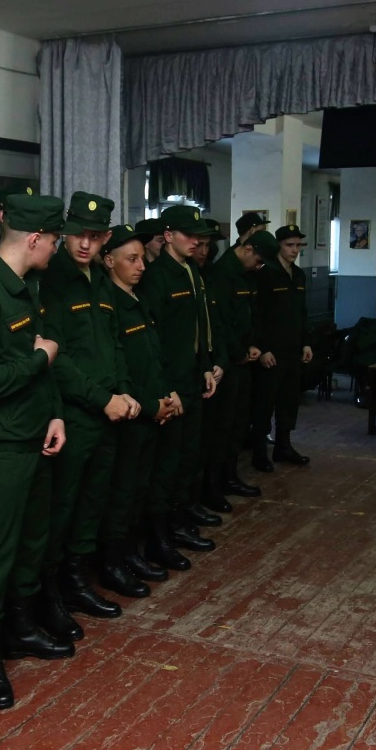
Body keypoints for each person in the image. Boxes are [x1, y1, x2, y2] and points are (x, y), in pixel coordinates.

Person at [0, 192, 77, 696]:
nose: (57, 249)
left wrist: (54, 412)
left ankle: (21, 628)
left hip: (33, 433)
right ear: (34, 239)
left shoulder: (26, 283)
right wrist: (39, 359)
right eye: (54, 241)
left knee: (32, 541)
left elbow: (38, 357)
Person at [40, 192, 139, 615]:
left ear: (106, 238)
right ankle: (51, 593)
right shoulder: (51, 276)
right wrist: (103, 399)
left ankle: (78, 582)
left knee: (92, 502)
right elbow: (55, 357)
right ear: (64, 232)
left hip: (108, 411)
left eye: (95, 237)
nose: (85, 244)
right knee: (62, 507)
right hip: (74, 415)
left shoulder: (99, 278)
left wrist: (123, 390)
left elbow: (114, 343)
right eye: (78, 234)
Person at [96, 224, 181, 587]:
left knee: (141, 487)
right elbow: (120, 371)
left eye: (142, 258)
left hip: (152, 411)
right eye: (131, 259)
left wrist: (168, 394)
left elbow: (153, 357)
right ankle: (113, 562)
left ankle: (132, 552)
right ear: (108, 261)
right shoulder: (109, 304)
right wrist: (149, 405)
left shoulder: (137, 299)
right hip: (131, 414)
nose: (141, 266)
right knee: (122, 491)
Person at [145, 202, 222, 555]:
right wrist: (165, 387)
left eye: (198, 236)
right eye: (188, 235)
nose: (195, 242)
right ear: (168, 236)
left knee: (190, 455)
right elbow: (154, 339)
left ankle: (182, 515)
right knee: (169, 462)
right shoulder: (157, 276)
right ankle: (163, 532)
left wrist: (205, 365)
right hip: (171, 384)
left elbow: (199, 326)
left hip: (192, 377)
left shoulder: (192, 270)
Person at [205, 228, 273, 500]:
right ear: (247, 249)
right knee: (222, 426)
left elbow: (250, 315)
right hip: (228, 361)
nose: (258, 266)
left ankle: (230, 476)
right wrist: (238, 352)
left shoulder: (246, 274)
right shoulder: (223, 273)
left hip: (244, 358)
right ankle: (214, 484)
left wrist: (253, 346)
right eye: (258, 260)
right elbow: (221, 322)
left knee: (238, 422)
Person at [251, 223, 314, 468]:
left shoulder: (298, 275)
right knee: (264, 404)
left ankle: (283, 446)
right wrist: (262, 348)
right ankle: (259, 452)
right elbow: (257, 315)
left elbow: (302, 311)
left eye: (298, 245)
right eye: (290, 245)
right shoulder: (265, 273)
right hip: (272, 351)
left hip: (292, 349)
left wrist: (306, 343)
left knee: (288, 401)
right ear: (279, 246)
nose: (295, 250)